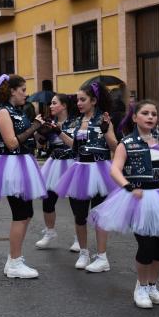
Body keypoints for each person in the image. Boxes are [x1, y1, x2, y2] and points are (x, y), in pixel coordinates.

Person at [90, 100, 159, 308]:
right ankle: (141, 287)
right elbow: (115, 169)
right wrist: (128, 187)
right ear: (135, 118)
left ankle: (152, 285)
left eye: (153, 113)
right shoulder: (127, 143)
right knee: (146, 245)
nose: (150, 117)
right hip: (138, 198)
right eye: (145, 113)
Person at [0, 74, 47, 278]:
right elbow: (12, 143)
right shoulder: (3, 112)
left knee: (27, 213)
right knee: (20, 214)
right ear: (12, 91)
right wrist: (34, 126)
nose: (26, 94)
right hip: (12, 165)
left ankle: (13, 259)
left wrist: (41, 132)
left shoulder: (18, 111)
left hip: (24, 162)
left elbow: (27, 138)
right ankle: (15, 262)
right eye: (23, 90)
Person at [54, 82, 119, 272]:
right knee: (79, 215)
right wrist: (58, 132)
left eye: (83, 99)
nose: (79, 103)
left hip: (100, 171)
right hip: (80, 170)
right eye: (77, 100)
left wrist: (106, 130)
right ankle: (84, 252)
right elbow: (74, 146)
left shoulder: (104, 120)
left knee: (100, 215)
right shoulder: (76, 121)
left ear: (94, 101)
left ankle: (102, 257)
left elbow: (115, 147)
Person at [36, 94, 77, 250]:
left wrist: (58, 131)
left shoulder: (75, 122)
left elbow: (75, 145)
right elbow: (40, 146)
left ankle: (78, 238)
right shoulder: (50, 122)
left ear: (64, 105)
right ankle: (50, 232)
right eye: (51, 103)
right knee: (47, 199)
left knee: (76, 202)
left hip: (72, 164)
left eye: (54, 103)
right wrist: (38, 131)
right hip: (54, 164)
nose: (51, 106)